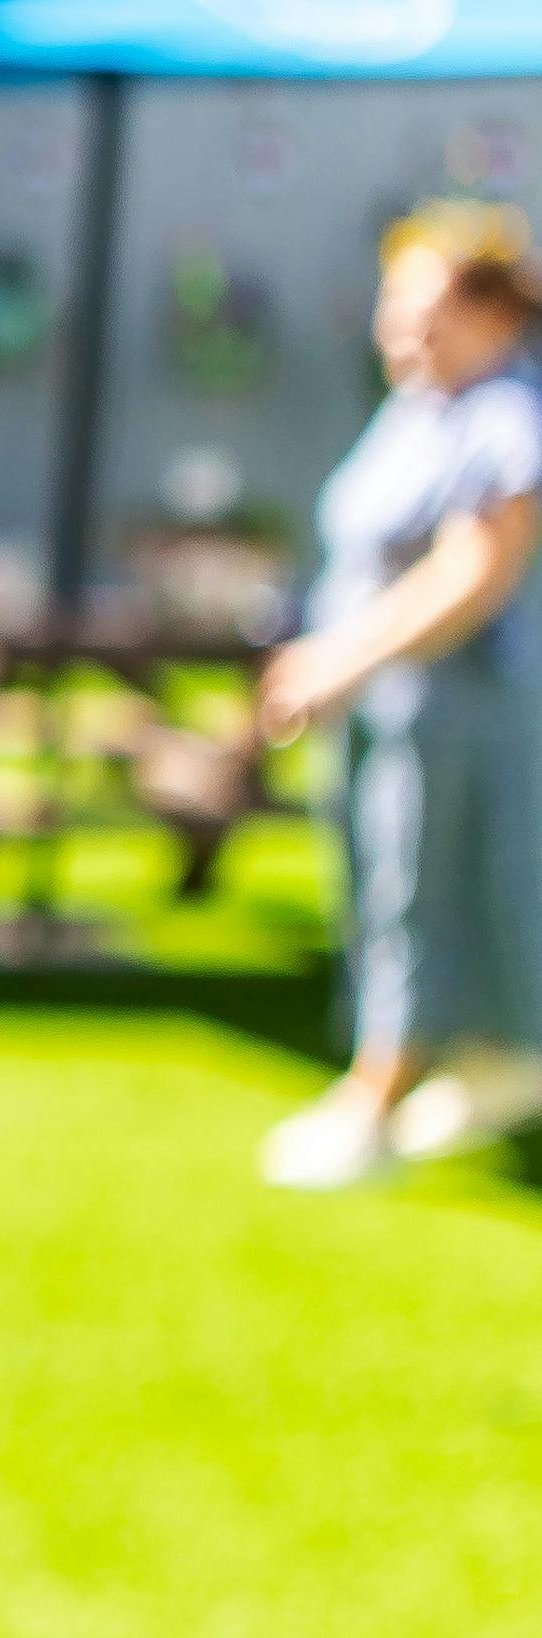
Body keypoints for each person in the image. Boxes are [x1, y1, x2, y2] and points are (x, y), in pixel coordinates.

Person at [253, 202, 542, 1186]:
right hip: (390, 701)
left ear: (496, 313)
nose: (402, 325)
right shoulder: (417, 407)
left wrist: (345, 659)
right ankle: (478, 1063)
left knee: (419, 888)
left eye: (425, 305)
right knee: (385, 877)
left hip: (455, 705)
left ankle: (378, 1094)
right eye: (393, 302)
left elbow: (475, 569)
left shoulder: (506, 416)